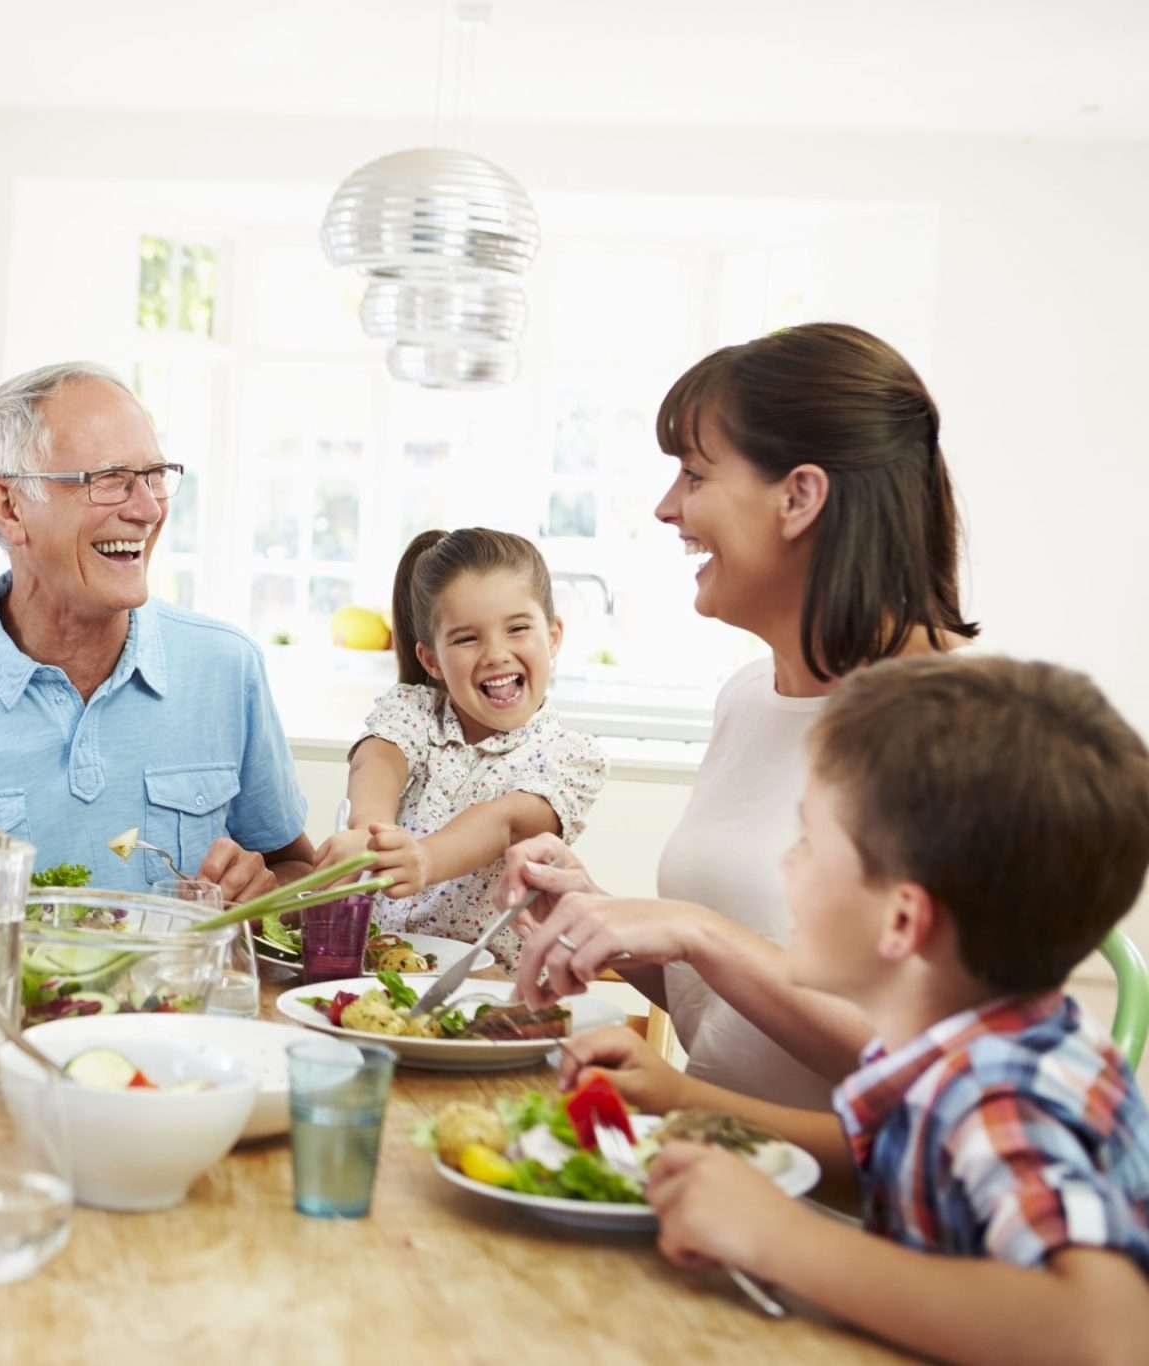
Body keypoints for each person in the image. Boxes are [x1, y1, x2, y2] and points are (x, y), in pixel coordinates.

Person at [560, 655, 1149, 1363]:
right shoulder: (954, 1048)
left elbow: (1107, 1331)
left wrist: (782, 1238)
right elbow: (885, 1157)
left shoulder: (1001, 1089)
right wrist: (687, 1103)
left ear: (902, 923)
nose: (787, 866)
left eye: (807, 841)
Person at [501, 323, 977, 1107]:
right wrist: (604, 918)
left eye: (692, 474)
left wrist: (696, 931)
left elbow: (931, 1088)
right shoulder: (750, 696)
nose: (664, 508)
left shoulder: (961, 733)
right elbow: (730, 1014)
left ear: (798, 497)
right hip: (708, 1173)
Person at [0, 362, 314, 916]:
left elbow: (296, 869)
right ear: (10, 508)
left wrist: (268, 893)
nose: (148, 509)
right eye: (108, 481)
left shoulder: (227, 668)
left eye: (154, 475)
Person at [312, 528, 605, 969]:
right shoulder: (414, 710)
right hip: (377, 975)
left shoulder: (569, 756)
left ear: (554, 636)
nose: (496, 654)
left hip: (487, 992)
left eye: (518, 629)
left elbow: (505, 821)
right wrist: (371, 835)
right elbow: (378, 759)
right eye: (467, 638)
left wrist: (422, 859)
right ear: (432, 660)